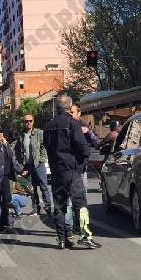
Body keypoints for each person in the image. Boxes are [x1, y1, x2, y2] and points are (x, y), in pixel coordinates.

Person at [44, 94, 101, 250]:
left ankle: (61, 239)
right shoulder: (73, 124)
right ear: (69, 108)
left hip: (56, 172)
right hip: (72, 171)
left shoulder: (48, 126)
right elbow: (82, 147)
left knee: (59, 206)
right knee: (80, 205)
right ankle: (85, 237)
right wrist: (81, 158)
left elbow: (47, 146)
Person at [65, 104, 100, 236]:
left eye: (72, 112)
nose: (70, 114)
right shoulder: (65, 126)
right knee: (68, 201)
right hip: (68, 169)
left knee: (81, 200)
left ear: (79, 113)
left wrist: (88, 132)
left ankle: (81, 227)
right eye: (69, 112)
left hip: (81, 169)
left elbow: (96, 143)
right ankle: (68, 228)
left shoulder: (84, 126)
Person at [0, 125, 26, 231]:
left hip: (5, 176)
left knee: (7, 199)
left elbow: (11, 159)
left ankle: (4, 218)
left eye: (1, 133)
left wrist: (20, 169)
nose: (0, 135)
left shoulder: (5, 145)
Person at [14, 113, 52, 216]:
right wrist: (20, 162)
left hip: (38, 164)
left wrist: (41, 159)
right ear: (23, 122)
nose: (28, 123)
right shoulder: (21, 135)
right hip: (27, 165)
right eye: (26, 121)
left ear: (33, 122)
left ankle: (48, 207)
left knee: (43, 185)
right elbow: (18, 149)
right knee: (31, 187)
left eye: (30, 121)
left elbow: (44, 147)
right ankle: (36, 207)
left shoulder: (39, 132)